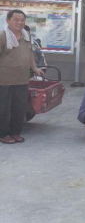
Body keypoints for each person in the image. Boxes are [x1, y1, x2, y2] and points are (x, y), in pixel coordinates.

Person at [0, 10, 44, 144]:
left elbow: (29, 53)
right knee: (3, 109)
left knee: (19, 108)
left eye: (22, 20)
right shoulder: (2, 36)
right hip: (4, 80)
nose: (19, 22)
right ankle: (3, 134)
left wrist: (35, 68)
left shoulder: (26, 35)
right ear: (8, 20)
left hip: (22, 79)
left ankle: (15, 132)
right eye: (16, 19)